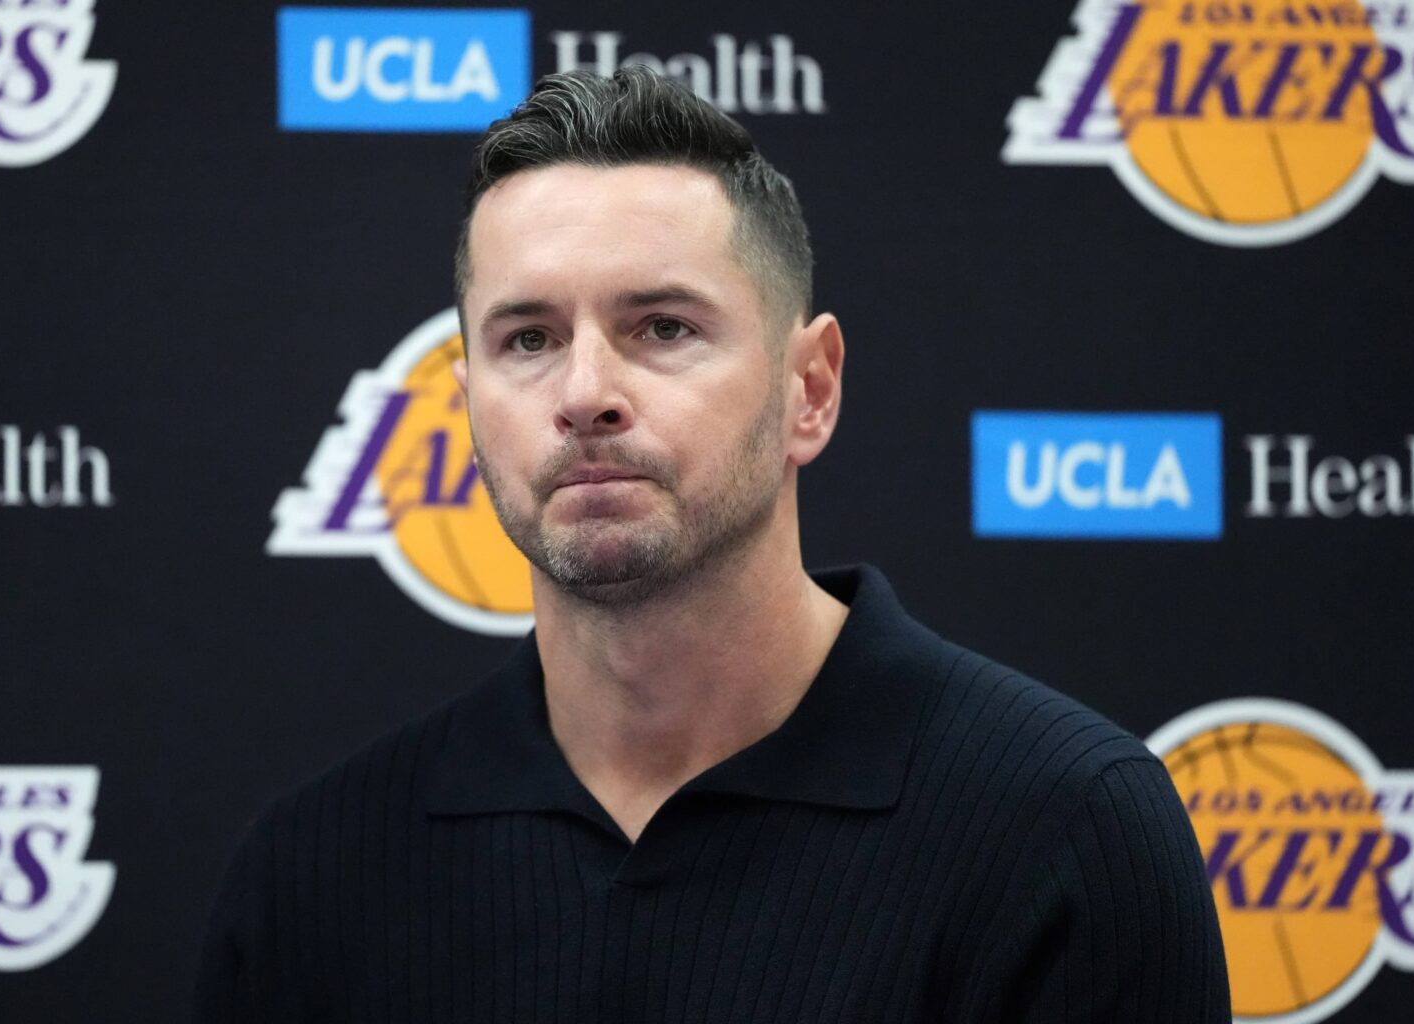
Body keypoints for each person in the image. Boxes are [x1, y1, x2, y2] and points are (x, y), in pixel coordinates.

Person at [194, 67, 1230, 1022]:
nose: (586, 393)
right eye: (528, 339)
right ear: (466, 409)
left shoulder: (1069, 828)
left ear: (809, 388)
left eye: (662, 327)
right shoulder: (310, 875)